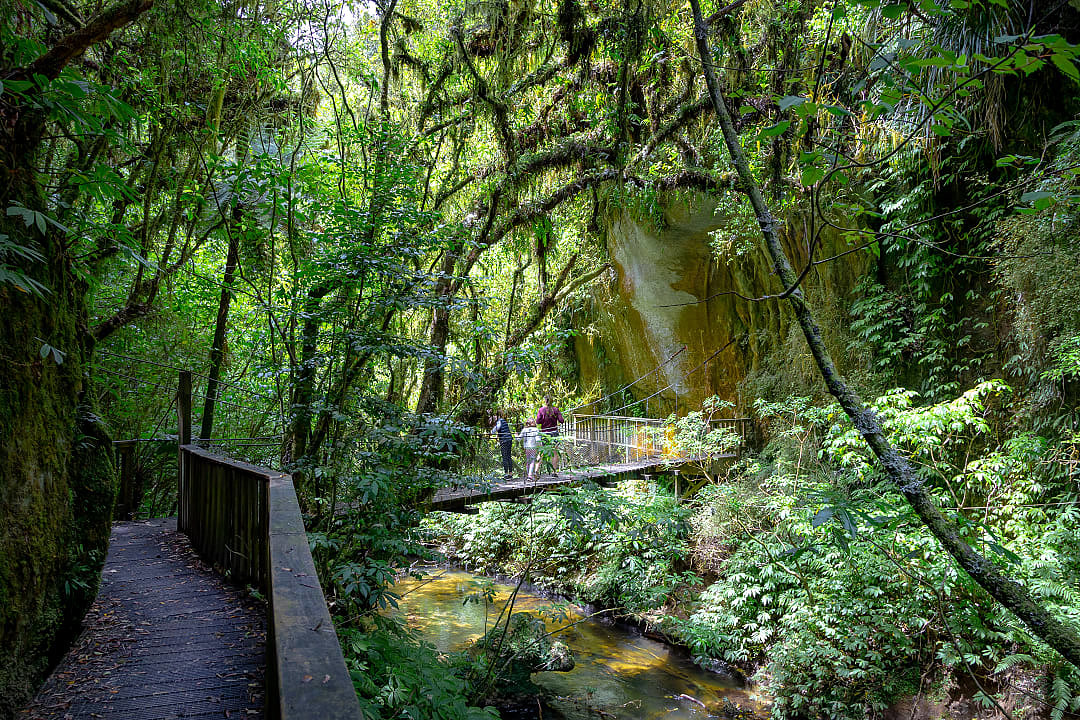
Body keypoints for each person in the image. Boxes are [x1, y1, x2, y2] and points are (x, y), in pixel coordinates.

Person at [536, 396, 564, 474]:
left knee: (541, 452)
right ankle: (554, 472)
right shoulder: (556, 410)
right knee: (554, 452)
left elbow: (538, 421)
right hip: (554, 433)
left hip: (545, 433)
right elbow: (561, 420)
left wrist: (544, 419)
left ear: (545, 401)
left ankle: (536, 471)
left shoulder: (541, 410)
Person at [492, 410, 514, 477]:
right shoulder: (504, 421)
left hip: (504, 440)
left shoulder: (499, 421)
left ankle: (506, 473)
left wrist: (492, 431)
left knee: (504, 456)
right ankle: (510, 473)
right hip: (509, 439)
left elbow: (497, 428)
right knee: (508, 456)